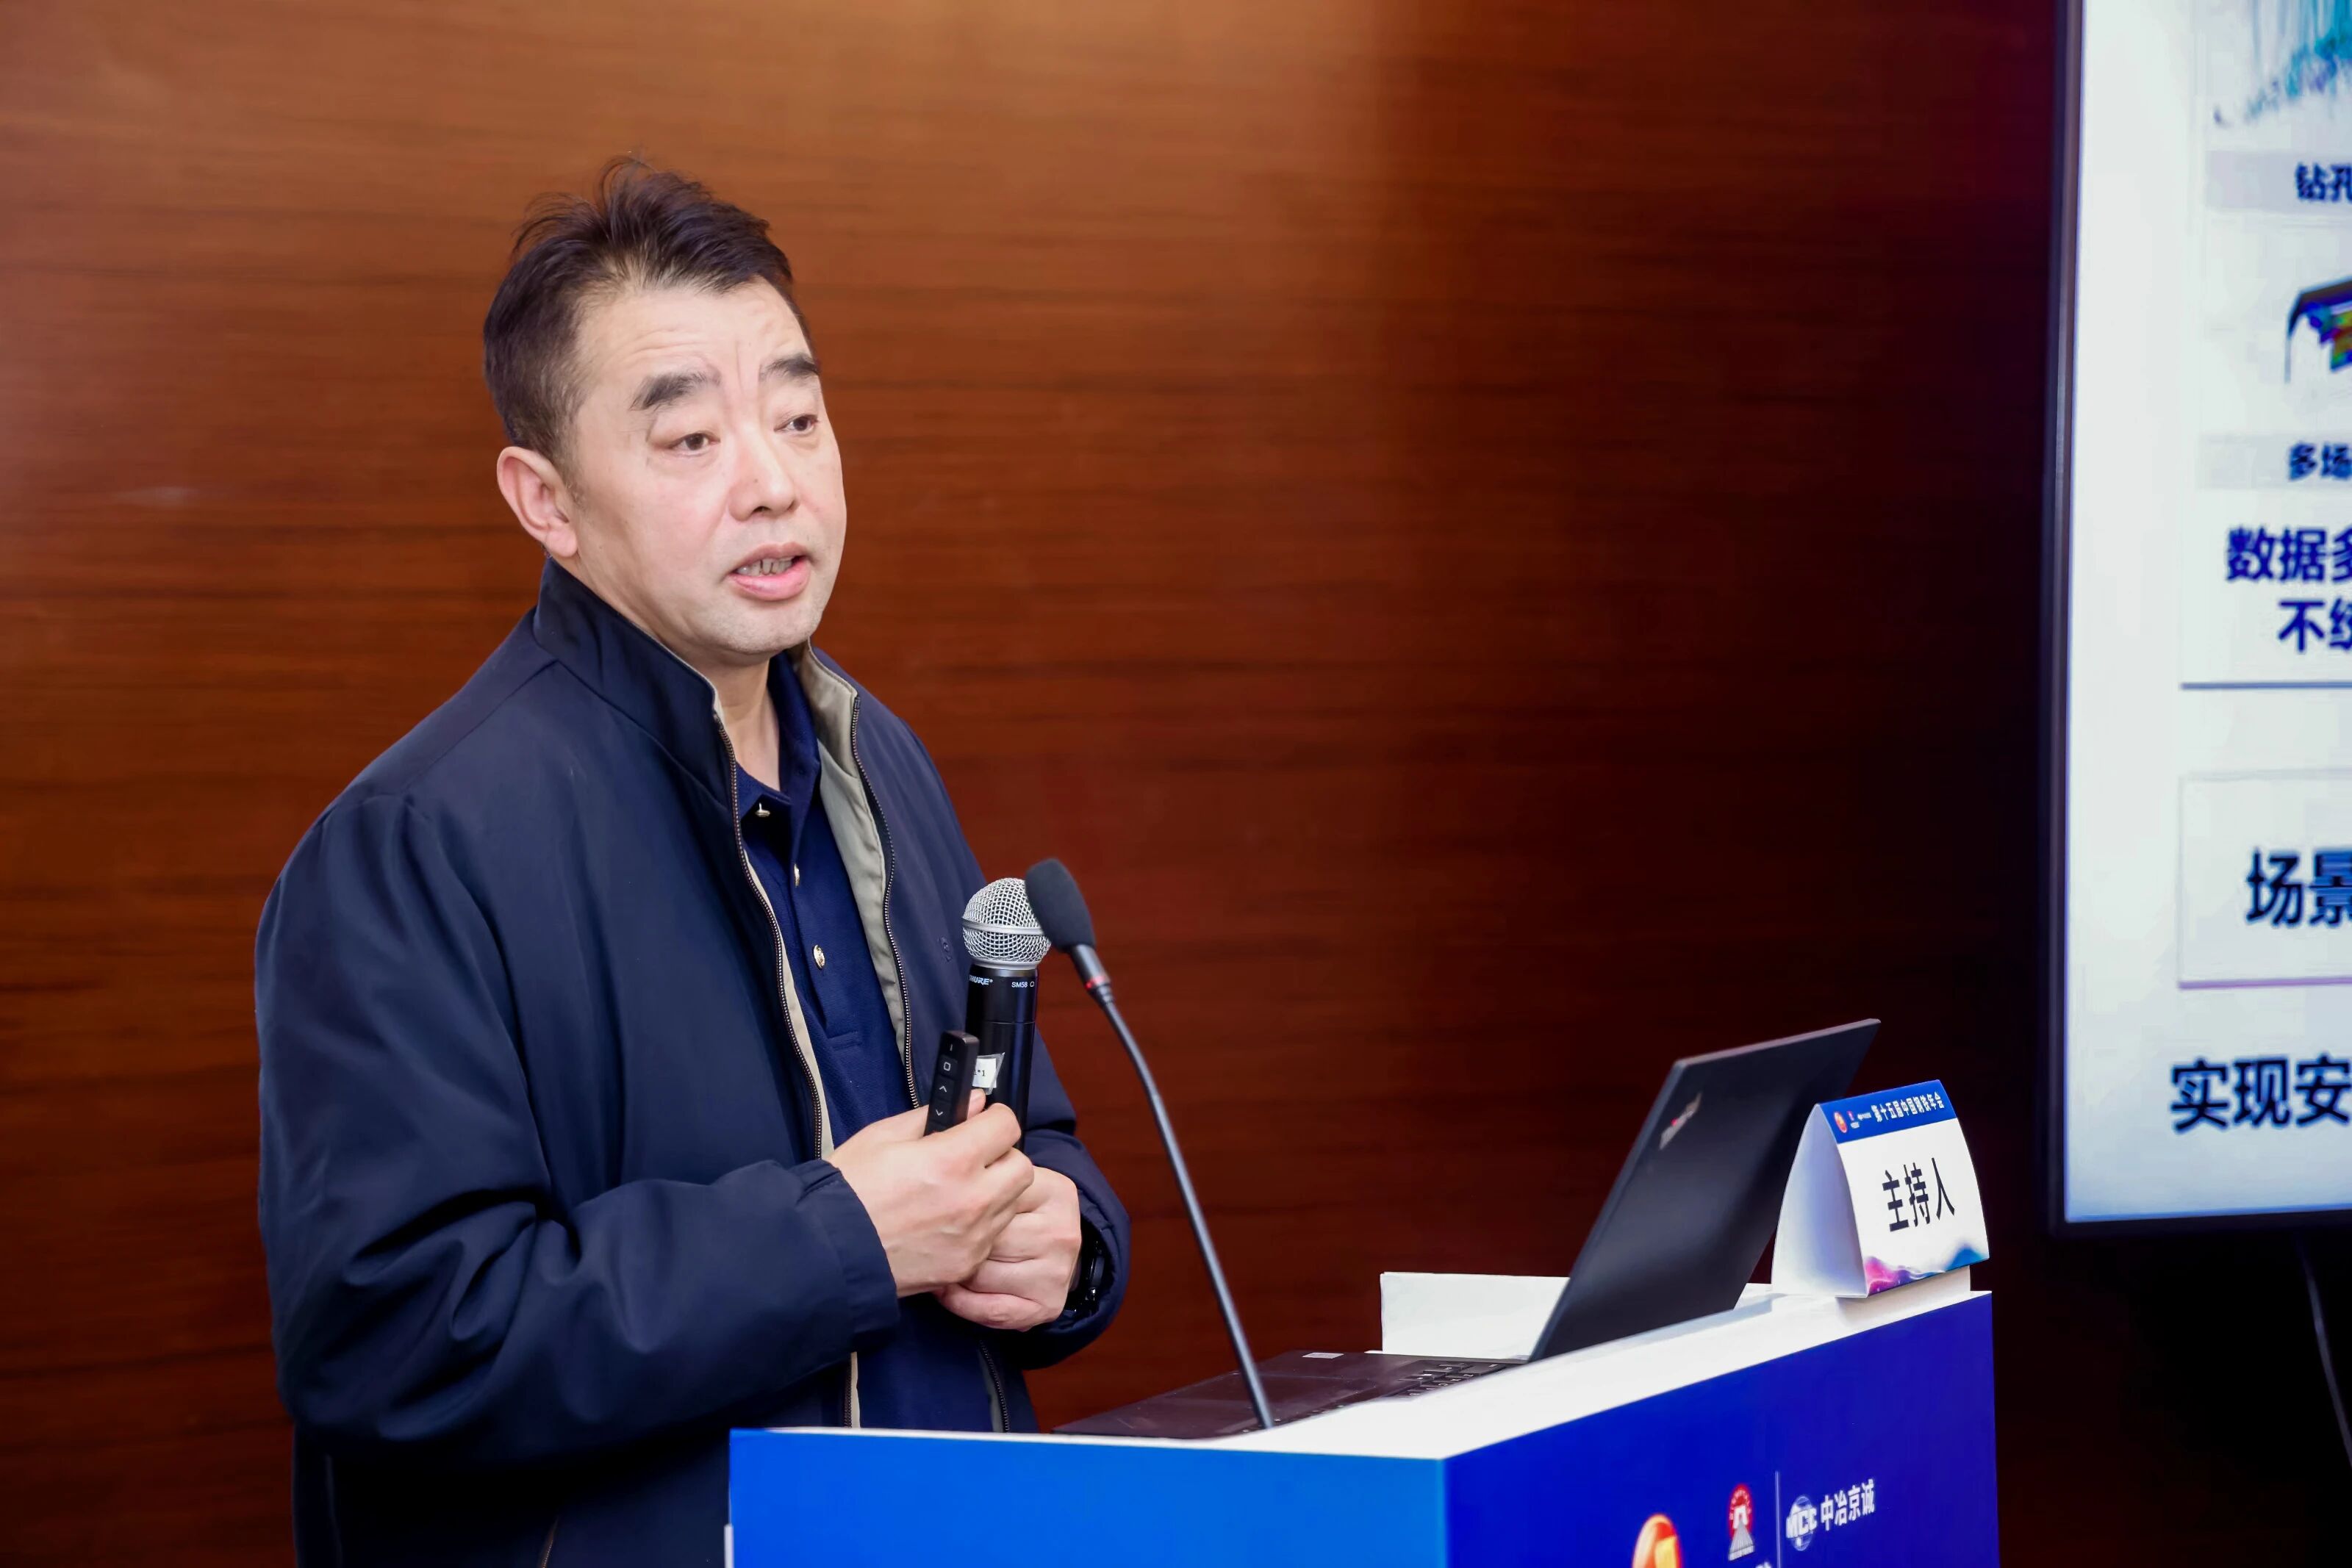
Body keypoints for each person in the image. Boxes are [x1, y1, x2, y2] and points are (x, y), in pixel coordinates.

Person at [254, 158, 1127, 1567]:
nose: (773, 483)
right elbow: (394, 1337)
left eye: (798, 418)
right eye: (690, 440)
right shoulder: (417, 843)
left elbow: (1028, 1133)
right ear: (546, 501)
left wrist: (1070, 1242)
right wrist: (842, 1240)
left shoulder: (876, 757)